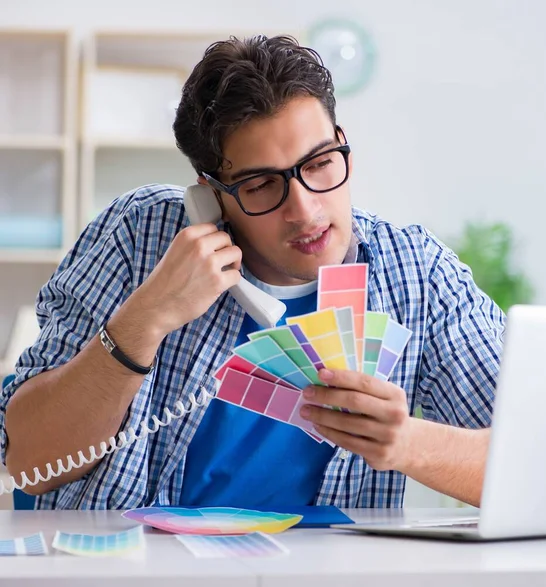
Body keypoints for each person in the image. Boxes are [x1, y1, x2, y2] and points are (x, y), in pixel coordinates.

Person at [0, 35, 504, 510]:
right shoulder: (139, 235)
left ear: (342, 142)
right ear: (211, 193)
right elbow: (29, 463)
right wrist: (144, 321)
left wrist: (409, 444)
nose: (306, 211)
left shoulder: (416, 271)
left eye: (321, 162)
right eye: (262, 184)